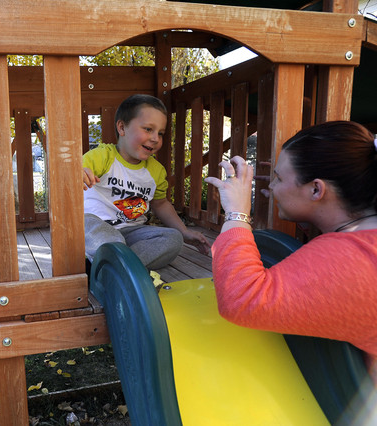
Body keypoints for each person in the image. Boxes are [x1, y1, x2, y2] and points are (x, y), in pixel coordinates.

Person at [205, 120, 377, 382]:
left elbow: (241, 299)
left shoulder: (357, 257)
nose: (271, 186)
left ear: (316, 189)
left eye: (279, 178)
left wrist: (236, 212)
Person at [83, 94, 210, 269]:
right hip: (97, 227)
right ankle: (119, 264)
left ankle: (115, 268)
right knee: (100, 233)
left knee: (173, 239)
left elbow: (161, 204)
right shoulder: (103, 156)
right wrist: (81, 172)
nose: (155, 138)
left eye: (160, 133)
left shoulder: (156, 171)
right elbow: (74, 171)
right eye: (148, 129)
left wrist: (184, 232)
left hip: (132, 232)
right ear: (122, 128)